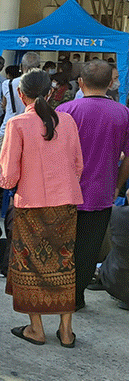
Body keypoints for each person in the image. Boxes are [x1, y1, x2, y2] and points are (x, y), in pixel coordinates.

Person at [0, 70, 82, 347]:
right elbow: (77, 165)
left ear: (20, 94)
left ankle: (36, 329)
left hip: (31, 205)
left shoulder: (17, 123)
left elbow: (9, 175)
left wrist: (7, 185)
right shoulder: (67, 121)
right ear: (50, 92)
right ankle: (66, 331)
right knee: (64, 263)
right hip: (66, 203)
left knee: (29, 265)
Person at [56, 59, 129, 311]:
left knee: (60, 245)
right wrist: (117, 185)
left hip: (64, 191)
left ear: (80, 82)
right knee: (88, 250)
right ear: (110, 83)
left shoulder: (65, 110)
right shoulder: (123, 113)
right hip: (102, 192)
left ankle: (57, 294)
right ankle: (76, 298)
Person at [0, 52, 41, 209]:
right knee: (24, 174)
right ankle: (14, 210)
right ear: (39, 67)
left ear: (22, 67)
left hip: (8, 130)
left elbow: (4, 105)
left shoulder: (8, 84)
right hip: (30, 133)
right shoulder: (41, 87)